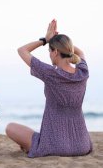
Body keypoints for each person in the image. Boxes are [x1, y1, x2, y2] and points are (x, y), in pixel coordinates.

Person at [6, 19, 92, 158]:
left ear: (56, 52)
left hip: (54, 144)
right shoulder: (83, 72)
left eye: (49, 51)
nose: (49, 54)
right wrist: (61, 41)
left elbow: (22, 50)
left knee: (10, 128)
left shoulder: (51, 73)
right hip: (82, 145)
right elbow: (80, 51)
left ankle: (29, 147)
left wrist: (45, 39)